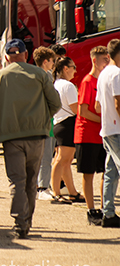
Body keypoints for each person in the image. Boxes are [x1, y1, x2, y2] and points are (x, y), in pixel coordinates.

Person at [0, 38, 61, 239]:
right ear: (26, 54)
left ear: (6, 57)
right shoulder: (40, 74)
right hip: (36, 135)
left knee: (17, 181)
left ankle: (19, 223)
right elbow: (55, 103)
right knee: (31, 181)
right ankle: (27, 222)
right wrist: (42, 118)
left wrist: (0, 123)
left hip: (11, 137)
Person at [75, 45, 109, 225]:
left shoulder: (104, 81)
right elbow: (83, 111)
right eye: (104, 60)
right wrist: (104, 120)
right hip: (87, 134)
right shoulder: (88, 82)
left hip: (102, 135)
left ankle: (105, 208)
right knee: (88, 174)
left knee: (106, 172)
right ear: (95, 61)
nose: (107, 63)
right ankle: (91, 209)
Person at [50, 57, 80, 203]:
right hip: (67, 123)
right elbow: (75, 109)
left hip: (59, 123)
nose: (75, 70)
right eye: (73, 67)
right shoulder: (68, 86)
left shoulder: (56, 84)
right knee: (62, 160)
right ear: (65, 68)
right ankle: (56, 193)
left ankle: (72, 192)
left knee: (65, 161)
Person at [98, 39, 120, 229]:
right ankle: (108, 213)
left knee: (111, 172)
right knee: (113, 171)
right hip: (117, 128)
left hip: (107, 128)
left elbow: (98, 105)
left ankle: (108, 212)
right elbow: (118, 103)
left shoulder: (103, 73)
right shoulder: (117, 74)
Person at [32, 46, 58, 200]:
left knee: (37, 155)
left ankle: (36, 185)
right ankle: (43, 187)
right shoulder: (46, 76)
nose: (53, 64)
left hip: (35, 120)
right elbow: (52, 99)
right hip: (47, 119)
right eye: (52, 61)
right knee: (46, 155)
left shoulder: (32, 74)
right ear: (46, 61)